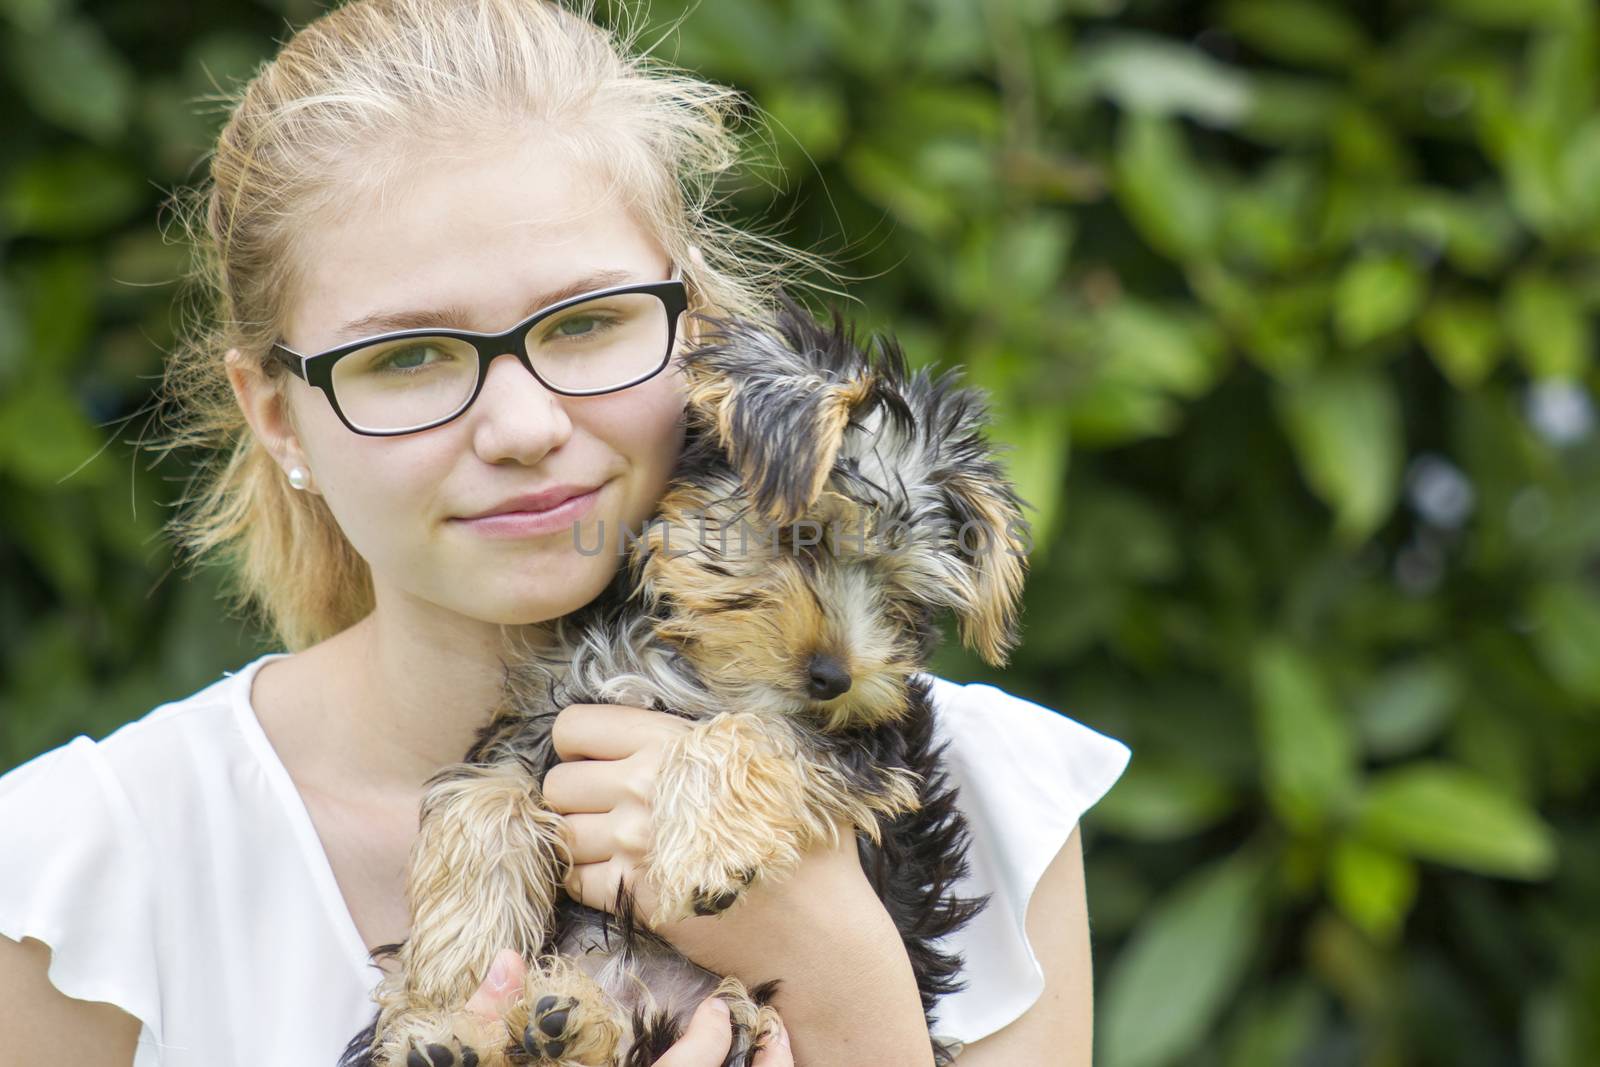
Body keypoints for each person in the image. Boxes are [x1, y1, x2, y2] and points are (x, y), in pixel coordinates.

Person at [0, 1, 1132, 1064]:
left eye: (586, 323)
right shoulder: (83, 881)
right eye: (406, 355)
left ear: (701, 328)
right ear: (275, 412)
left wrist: (836, 962)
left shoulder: (993, 798)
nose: (524, 426)